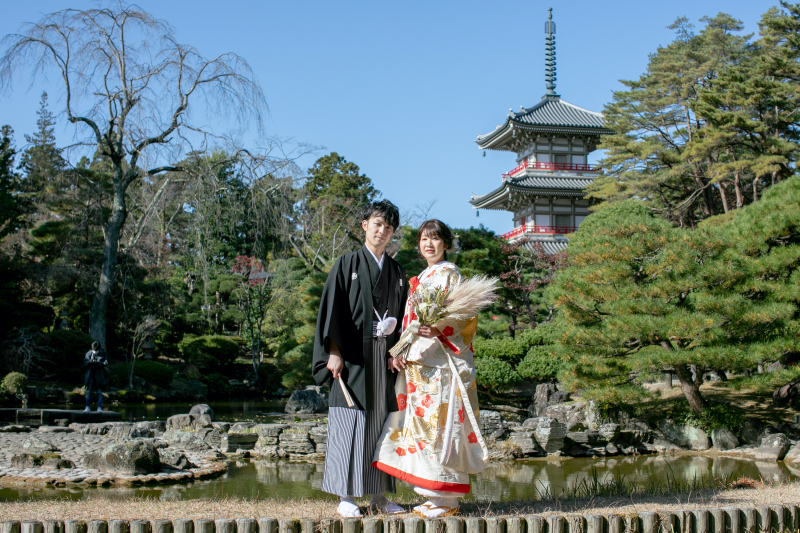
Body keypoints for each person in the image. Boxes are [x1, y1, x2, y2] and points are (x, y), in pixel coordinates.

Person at [372, 219, 488, 518]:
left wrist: (438, 329)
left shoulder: (449, 274)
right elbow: (411, 323)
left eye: (435, 239)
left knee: (440, 428)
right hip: (420, 364)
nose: (429, 244)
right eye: (424, 239)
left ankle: (447, 500)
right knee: (423, 427)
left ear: (446, 244)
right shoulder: (425, 276)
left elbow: (464, 318)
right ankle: (434, 495)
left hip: (440, 366)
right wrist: (401, 350)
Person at [312, 199, 409, 517]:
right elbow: (333, 311)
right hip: (352, 357)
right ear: (365, 225)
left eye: (389, 227)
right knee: (349, 423)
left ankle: (380, 497)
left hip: (384, 360)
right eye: (377, 224)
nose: (382, 231)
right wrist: (333, 351)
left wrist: (398, 351)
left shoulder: (397, 272)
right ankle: (347, 497)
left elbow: (405, 319)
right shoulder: (347, 264)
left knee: (383, 425)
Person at [83, 341, 108, 413]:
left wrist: (97, 363)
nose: (95, 352)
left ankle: (99, 407)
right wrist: (89, 362)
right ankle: (87, 407)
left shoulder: (102, 353)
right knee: (89, 392)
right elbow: (85, 363)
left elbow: (105, 363)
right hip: (90, 376)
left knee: (99, 392)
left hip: (99, 376)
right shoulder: (88, 353)